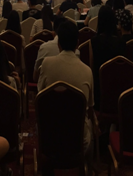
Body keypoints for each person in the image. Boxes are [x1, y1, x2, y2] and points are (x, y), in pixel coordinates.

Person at [38, 20, 94, 155]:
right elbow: (90, 108)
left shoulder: (46, 63)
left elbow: (40, 97)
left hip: (49, 136)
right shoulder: (87, 71)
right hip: (79, 140)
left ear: (58, 44)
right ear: (77, 44)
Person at [91, 5, 125, 110]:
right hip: (119, 89)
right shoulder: (121, 42)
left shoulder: (94, 42)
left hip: (99, 89)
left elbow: (92, 66)